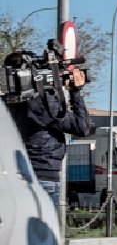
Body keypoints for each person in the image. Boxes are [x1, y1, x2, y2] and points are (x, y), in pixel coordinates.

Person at [11, 67, 92, 208]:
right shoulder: (43, 103)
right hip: (43, 175)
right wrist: (75, 93)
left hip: (12, 174)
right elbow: (82, 127)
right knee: (42, 229)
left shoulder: (7, 101)